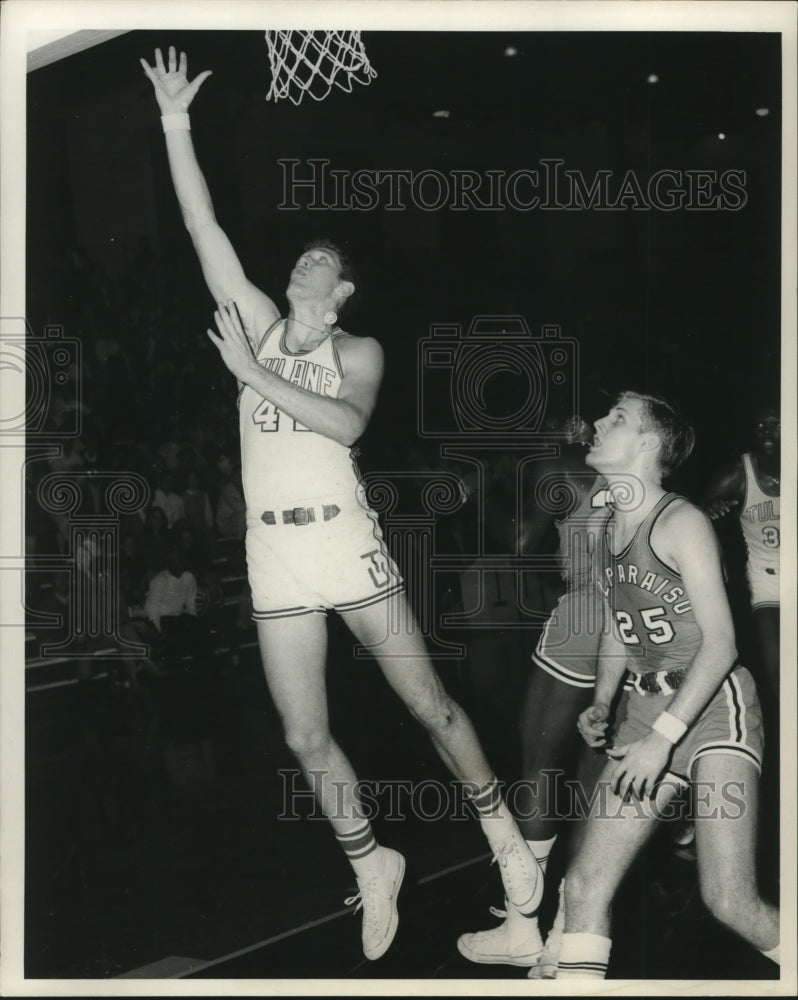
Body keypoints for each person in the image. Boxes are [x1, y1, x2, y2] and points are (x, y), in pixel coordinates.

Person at [140, 46, 542, 961]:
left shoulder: (355, 350)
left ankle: (506, 843)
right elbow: (204, 226)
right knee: (303, 732)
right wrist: (174, 121)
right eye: (304, 253)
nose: (306, 260)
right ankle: (371, 863)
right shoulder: (253, 316)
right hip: (271, 551)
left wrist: (250, 375)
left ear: (343, 290)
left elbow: (347, 427)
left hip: (344, 544)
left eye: (323, 259)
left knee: (430, 707)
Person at [553, 390, 779, 979]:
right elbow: (618, 627)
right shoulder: (607, 529)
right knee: (582, 887)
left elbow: (722, 643)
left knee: (730, 902)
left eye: (617, 419)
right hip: (645, 708)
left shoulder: (682, 521)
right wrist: (602, 701)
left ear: (648, 444)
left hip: (710, 706)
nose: (599, 423)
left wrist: (663, 739)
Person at [457, 415, 627, 976]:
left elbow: (522, 540)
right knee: (592, 785)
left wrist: (487, 491)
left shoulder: (557, 468)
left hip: (584, 616)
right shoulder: (635, 471)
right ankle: (564, 937)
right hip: (635, 625)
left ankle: (521, 930)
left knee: (539, 769)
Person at [701, 404, 780, 700]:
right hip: (766, 578)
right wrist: (708, 510)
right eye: (760, 424)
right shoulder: (738, 474)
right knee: (777, 675)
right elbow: (692, 519)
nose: (766, 431)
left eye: (776, 423)